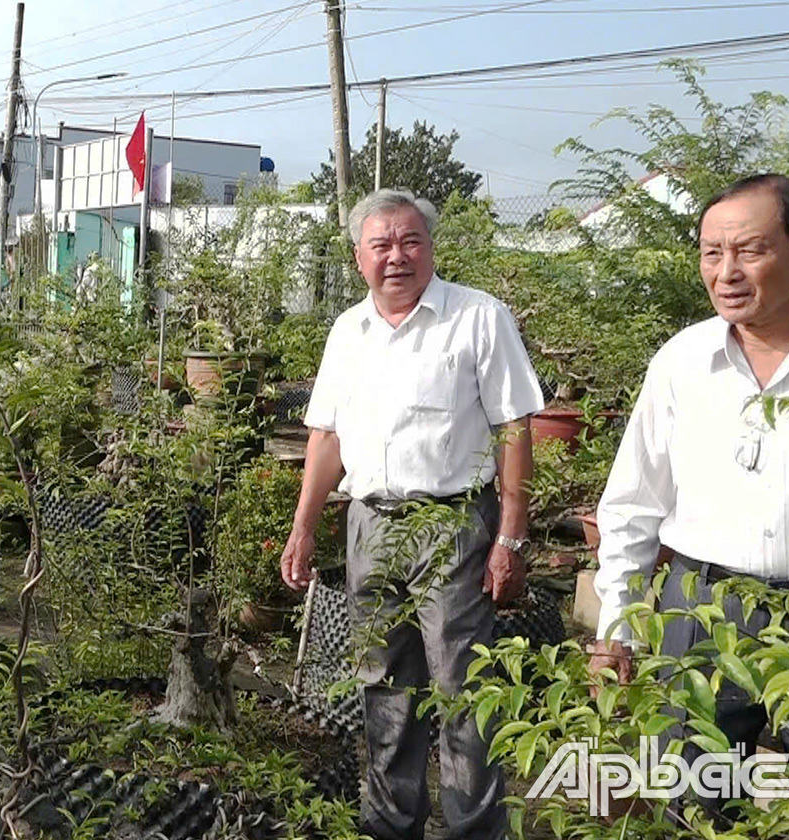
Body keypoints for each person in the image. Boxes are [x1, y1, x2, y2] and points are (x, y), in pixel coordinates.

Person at [279, 189, 543, 840]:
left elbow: (514, 425)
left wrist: (512, 533)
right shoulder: (348, 331)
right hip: (370, 526)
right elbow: (327, 438)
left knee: (461, 690)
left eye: (410, 242)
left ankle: (474, 829)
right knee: (384, 685)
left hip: (453, 524)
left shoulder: (477, 317)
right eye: (381, 245)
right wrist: (304, 527)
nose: (397, 256)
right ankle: (391, 825)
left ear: (430, 246)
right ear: (357, 256)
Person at [588, 173, 789, 819]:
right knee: (697, 798)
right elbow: (634, 500)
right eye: (712, 253)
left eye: (750, 250)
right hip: (702, 608)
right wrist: (619, 623)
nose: (727, 272)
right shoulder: (682, 362)